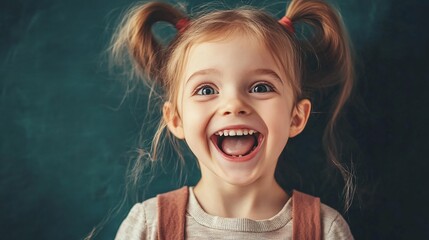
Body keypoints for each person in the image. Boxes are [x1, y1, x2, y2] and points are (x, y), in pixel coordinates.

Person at [111, 0, 355, 239]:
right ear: (176, 119)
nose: (234, 105)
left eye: (260, 87)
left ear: (296, 117)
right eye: (206, 90)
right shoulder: (147, 225)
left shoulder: (325, 230)